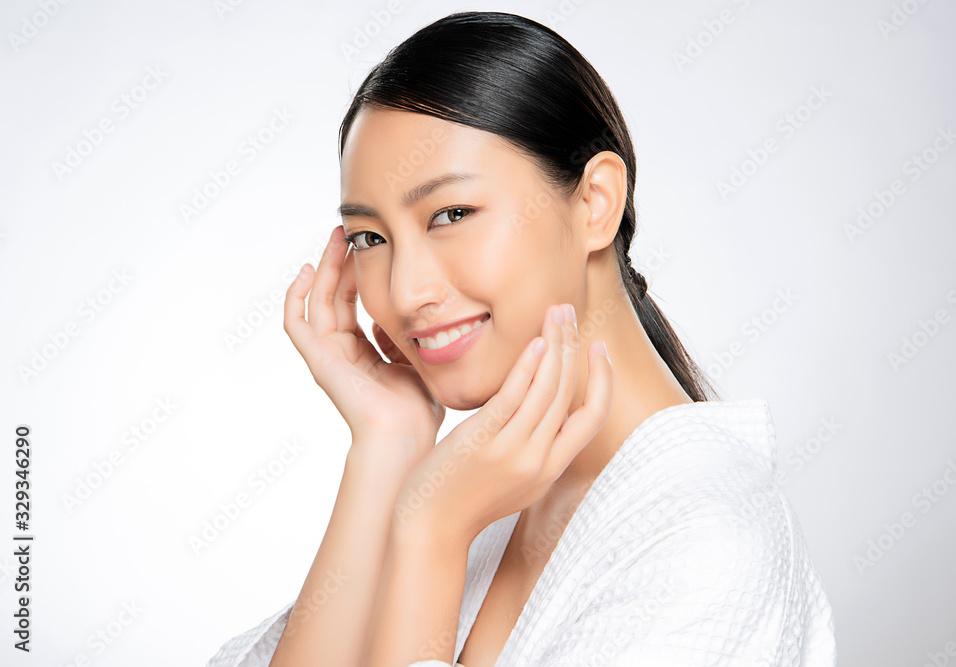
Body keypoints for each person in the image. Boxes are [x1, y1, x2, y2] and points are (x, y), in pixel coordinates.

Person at [206, 10, 836, 667]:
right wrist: (387, 446)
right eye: (370, 237)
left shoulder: (708, 543)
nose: (406, 291)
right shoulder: (483, 484)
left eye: (452, 213)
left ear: (594, 202)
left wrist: (432, 535)